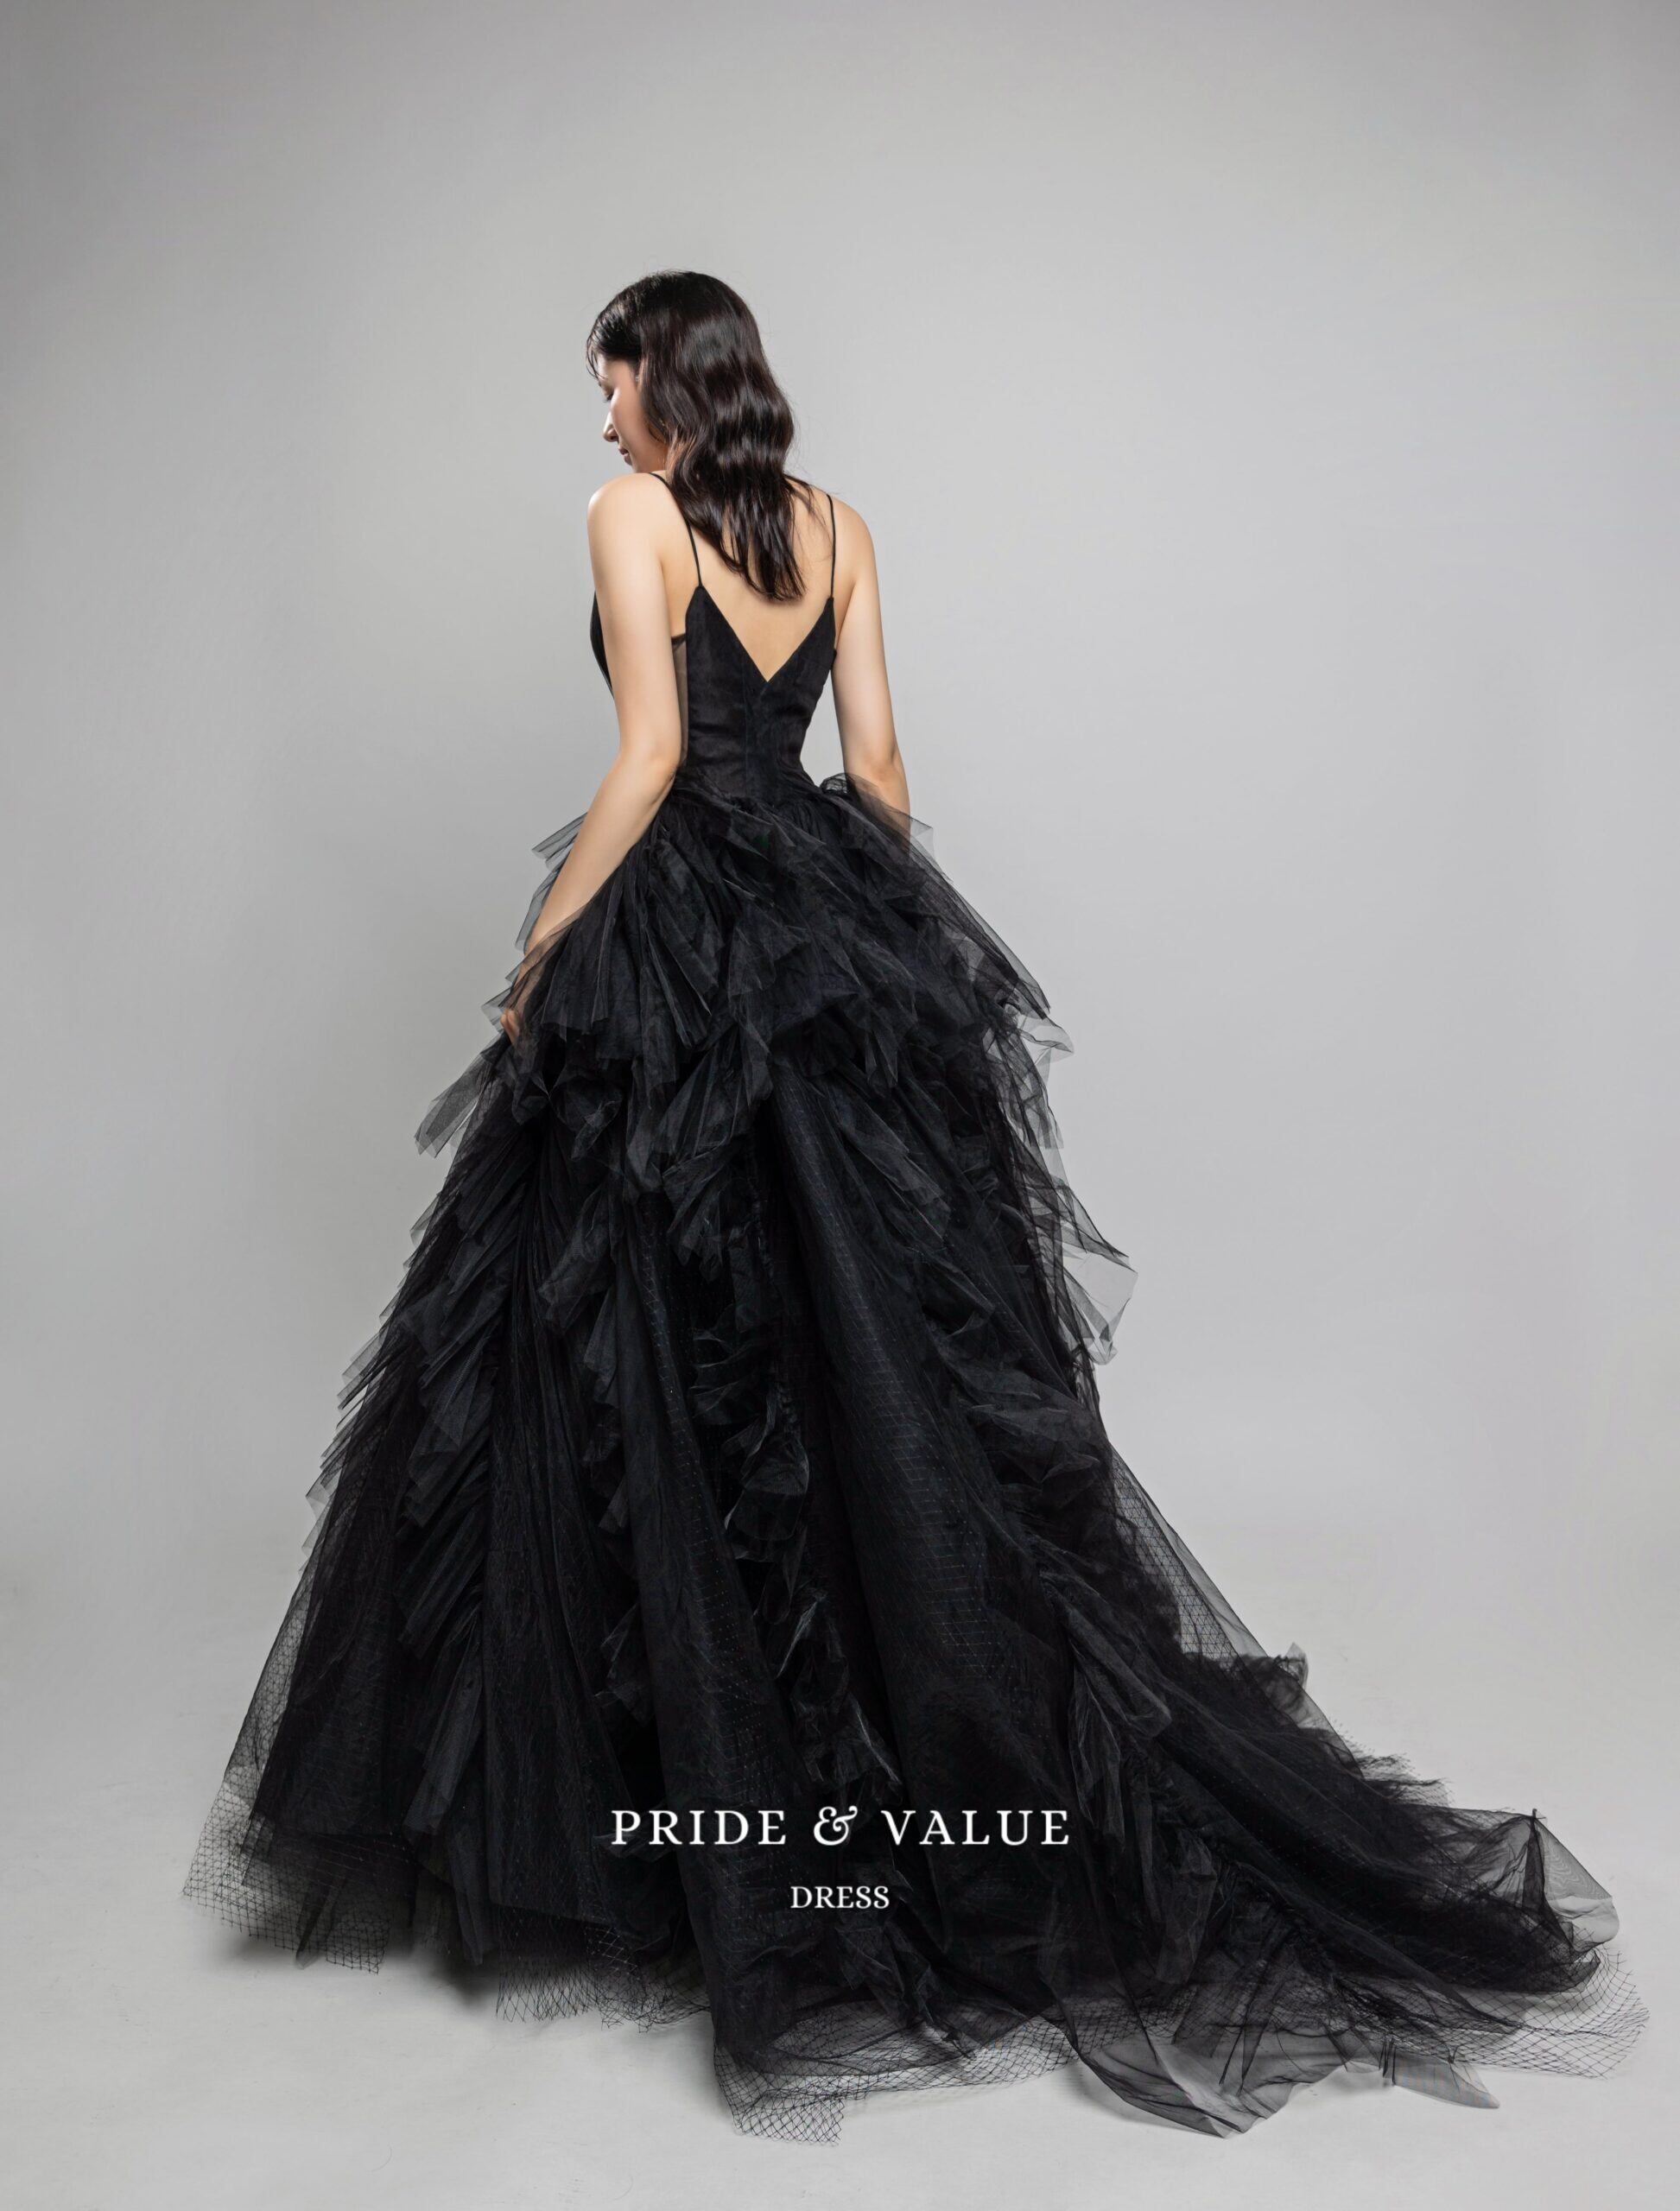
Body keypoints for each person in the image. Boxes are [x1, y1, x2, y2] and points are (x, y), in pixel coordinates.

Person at [183, 269, 1645, 2144]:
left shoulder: (631, 516)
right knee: (855, 1373)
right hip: (808, 926)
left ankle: (669, 1838)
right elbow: (874, 772)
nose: (599, 414)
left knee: (646, 1367)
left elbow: (649, 759)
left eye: (608, 379)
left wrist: (541, 952)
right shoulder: (843, 527)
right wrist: (873, 957)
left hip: (674, 939)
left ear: (666, 381)